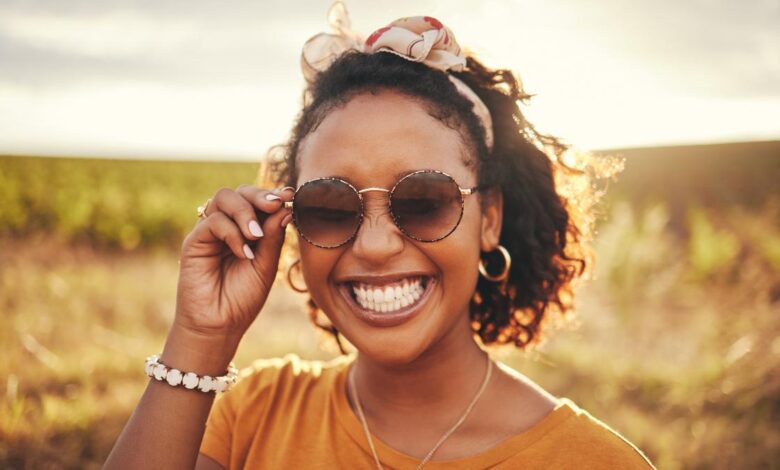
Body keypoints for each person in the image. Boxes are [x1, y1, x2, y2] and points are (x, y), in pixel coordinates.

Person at [106, 4, 654, 469]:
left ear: (489, 218)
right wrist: (201, 339)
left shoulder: (589, 458)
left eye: (423, 200)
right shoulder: (252, 414)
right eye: (330, 206)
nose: (374, 245)